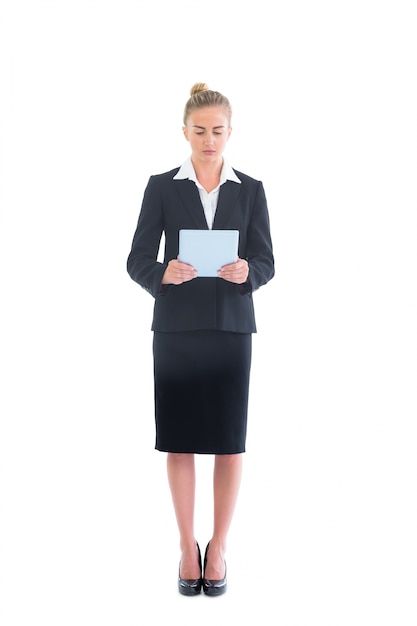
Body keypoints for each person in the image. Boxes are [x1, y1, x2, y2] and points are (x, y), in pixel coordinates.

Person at [127, 82, 275, 596]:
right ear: (184, 131)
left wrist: (247, 272)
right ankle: (187, 546)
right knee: (181, 441)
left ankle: (220, 547)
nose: (209, 139)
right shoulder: (161, 186)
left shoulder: (251, 189)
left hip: (232, 330)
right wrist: (162, 273)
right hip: (177, 332)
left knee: (229, 444)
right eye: (199, 130)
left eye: (217, 130)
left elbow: (267, 261)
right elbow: (137, 259)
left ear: (230, 132)